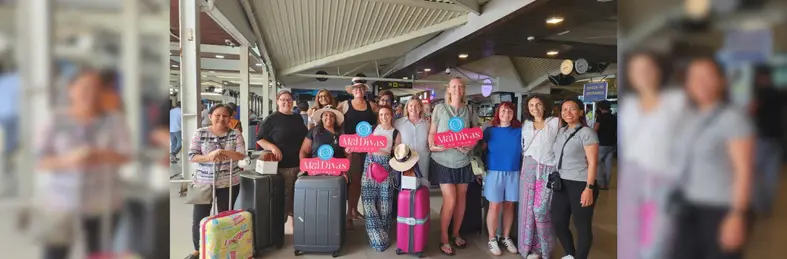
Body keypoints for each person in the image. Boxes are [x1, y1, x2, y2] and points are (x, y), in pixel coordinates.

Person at [35, 69, 130, 259]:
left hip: (103, 203)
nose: (91, 93)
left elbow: (125, 155)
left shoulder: (114, 121)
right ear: (71, 89)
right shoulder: (55, 120)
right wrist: (69, 159)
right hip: (61, 204)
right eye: (85, 87)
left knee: (98, 253)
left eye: (96, 88)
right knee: (54, 253)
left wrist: (98, 155)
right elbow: (41, 161)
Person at [669, 58, 755, 259]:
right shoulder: (690, 117)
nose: (701, 83)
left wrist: (737, 215)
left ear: (721, 81)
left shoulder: (733, 119)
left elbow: (744, 169)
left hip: (720, 210)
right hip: (687, 207)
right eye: (695, 77)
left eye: (708, 76)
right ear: (687, 84)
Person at [617, 51, 684, 259]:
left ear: (659, 71)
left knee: (657, 242)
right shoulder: (628, 106)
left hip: (665, 180)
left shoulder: (676, 102)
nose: (642, 74)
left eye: (647, 69)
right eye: (636, 70)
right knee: (632, 240)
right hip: (633, 179)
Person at [184, 103, 247, 259]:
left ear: (230, 118)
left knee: (225, 217)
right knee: (199, 217)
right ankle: (198, 249)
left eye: (225, 116)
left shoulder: (236, 134)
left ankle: (223, 246)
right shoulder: (200, 133)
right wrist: (209, 156)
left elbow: (241, 155)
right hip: (203, 182)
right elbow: (192, 156)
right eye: (217, 115)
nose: (221, 119)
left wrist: (222, 151)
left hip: (229, 182)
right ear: (210, 116)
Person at [429, 77, 476, 255]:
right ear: (448, 89)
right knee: (450, 199)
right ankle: (443, 237)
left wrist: (470, 146)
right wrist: (432, 145)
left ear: (464, 90)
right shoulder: (440, 109)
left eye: (460, 87)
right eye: (454, 87)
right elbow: (432, 133)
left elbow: (476, 133)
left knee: (461, 199)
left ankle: (456, 232)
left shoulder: (469, 110)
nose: (457, 89)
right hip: (443, 160)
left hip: (463, 161)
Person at [551, 98, 600, 259]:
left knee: (582, 226)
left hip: (581, 184)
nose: (568, 113)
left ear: (580, 112)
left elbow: (593, 163)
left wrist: (589, 188)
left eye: (572, 109)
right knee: (558, 221)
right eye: (564, 109)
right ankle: (570, 254)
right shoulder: (562, 131)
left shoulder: (587, 132)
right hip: (561, 183)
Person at [256, 90, 308, 228]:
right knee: (284, 199)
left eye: (289, 100)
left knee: (297, 199)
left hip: (299, 164)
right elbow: (260, 139)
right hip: (282, 166)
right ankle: (278, 232)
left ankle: (296, 227)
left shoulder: (297, 118)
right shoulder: (271, 119)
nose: (287, 102)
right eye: (283, 100)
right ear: (278, 101)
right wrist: (273, 147)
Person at [518, 95, 560, 259]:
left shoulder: (555, 122)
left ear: (545, 106)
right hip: (528, 167)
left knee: (541, 210)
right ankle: (528, 247)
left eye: (538, 104)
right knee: (527, 210)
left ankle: (544, 248)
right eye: (531, 105)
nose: (534, 108)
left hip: (547, 170)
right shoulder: (526, 125)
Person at [481, 101, 522, 256]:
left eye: (510, 111)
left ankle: (506, 236)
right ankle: (492, 238)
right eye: (503, 111)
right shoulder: (490, 131)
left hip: (513, 172)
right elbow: (481, 149)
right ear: (498, 113)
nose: (506, 114)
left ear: (514, 114)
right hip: (494, 172)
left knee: (509, 205)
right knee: (494, 206)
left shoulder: (519, 131)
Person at [338, 77, 378, 228]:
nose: (359, 90)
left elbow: (380, 124)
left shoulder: (372, 106)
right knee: (353, 180)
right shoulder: (344, 105)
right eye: (356, 88)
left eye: (361, 88)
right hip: (351, 149)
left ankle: (354, 210)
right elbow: (335, 123)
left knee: (364, 180)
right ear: (352, 90)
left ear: (365, 90)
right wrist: (343, 145)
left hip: (368, 148)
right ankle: (349, 214)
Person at [360, 105, 401, 251]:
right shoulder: (371, 129)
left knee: (385, 204)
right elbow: (359, 142)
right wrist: (351, 147)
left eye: (387, 114)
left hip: (386, 167)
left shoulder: (396, 133)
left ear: (392, 115)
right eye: (381, 115)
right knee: (368, 202)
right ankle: (376, 237)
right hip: (369, 164)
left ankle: (383, 236)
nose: (384, 117)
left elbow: (397, 153)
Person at [750, 65, 783, 216]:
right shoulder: (779, 93)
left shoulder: (760, 93)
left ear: (760, 77)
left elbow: (752, 110)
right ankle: (768, 205)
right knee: (771, 173)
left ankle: (759, 205)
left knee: (754, 172)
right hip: (777, 137)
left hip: (762, 137)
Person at [394, 97, 431, 185]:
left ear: (421, 108)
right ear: (407, 108)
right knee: (407, 192)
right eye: (410, 105)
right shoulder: (398, 123)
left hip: (423, 162)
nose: (413, 108)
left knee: (423, 192)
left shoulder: (427, 125)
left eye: (416, 106)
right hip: (406, 164)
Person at [298, 105, 345, 175]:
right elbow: (304, 151)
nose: (328, 118)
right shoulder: (313, 131)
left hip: (336, 172)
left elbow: (348, 154)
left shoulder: (341, 133)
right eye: (326, 115)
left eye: (332, 116)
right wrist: (304, 168)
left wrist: (345, 171)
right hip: (315, 172)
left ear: (335, 119)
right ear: (321, 118)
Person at [593, 100, 616, 190]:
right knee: (608, 163)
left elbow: (595, 130)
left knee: (598, 163)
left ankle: (601, 183)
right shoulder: (614, 117)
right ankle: (607, 184)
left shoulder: (600, 118)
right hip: (612, 143)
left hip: (602, 143)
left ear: (600, 108)